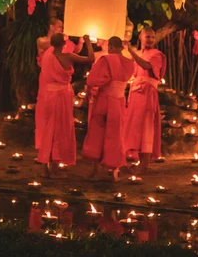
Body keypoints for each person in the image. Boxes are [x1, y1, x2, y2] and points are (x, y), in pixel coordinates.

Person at [36, 33, 95, 178]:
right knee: (60, 129)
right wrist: (88, 42)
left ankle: (46, 166)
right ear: (63, 43)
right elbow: (91, 58)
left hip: (48, 96)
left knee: (48, 129)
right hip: (61, 96)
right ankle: (54, 167)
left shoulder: (46, 57)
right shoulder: (67, 56)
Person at [82, 36, 134, 181]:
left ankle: (95, 170)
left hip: (105, 100)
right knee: (116, 135)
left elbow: (92, 79)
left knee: (98, 133)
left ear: (111, 46)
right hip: (119, 101)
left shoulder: (106, 60)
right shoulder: (130, 63)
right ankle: (114, 170)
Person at [35, 18, 83, 151]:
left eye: (63, 27)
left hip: (60, 82)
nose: (62, 29)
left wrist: (81, 42)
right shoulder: (42, 40)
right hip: (47, 79)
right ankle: (43, 146)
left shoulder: (62, 44)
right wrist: (62, 39)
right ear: (51, 27)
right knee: (45, 113)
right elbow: (49, 44)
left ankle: (56, 148)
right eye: (59, 27)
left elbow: (76, 51)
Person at [123, 26, 166, 174]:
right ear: (140, 37)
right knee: (135, 126)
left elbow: (147, 66)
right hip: (136, 93)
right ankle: (138, 160)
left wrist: (131, 53)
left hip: (147, 93)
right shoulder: (139, 53)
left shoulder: (157, 55)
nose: (150, 40)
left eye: (153, 37)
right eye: (147, 36)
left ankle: (145, 164)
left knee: (147, 126)